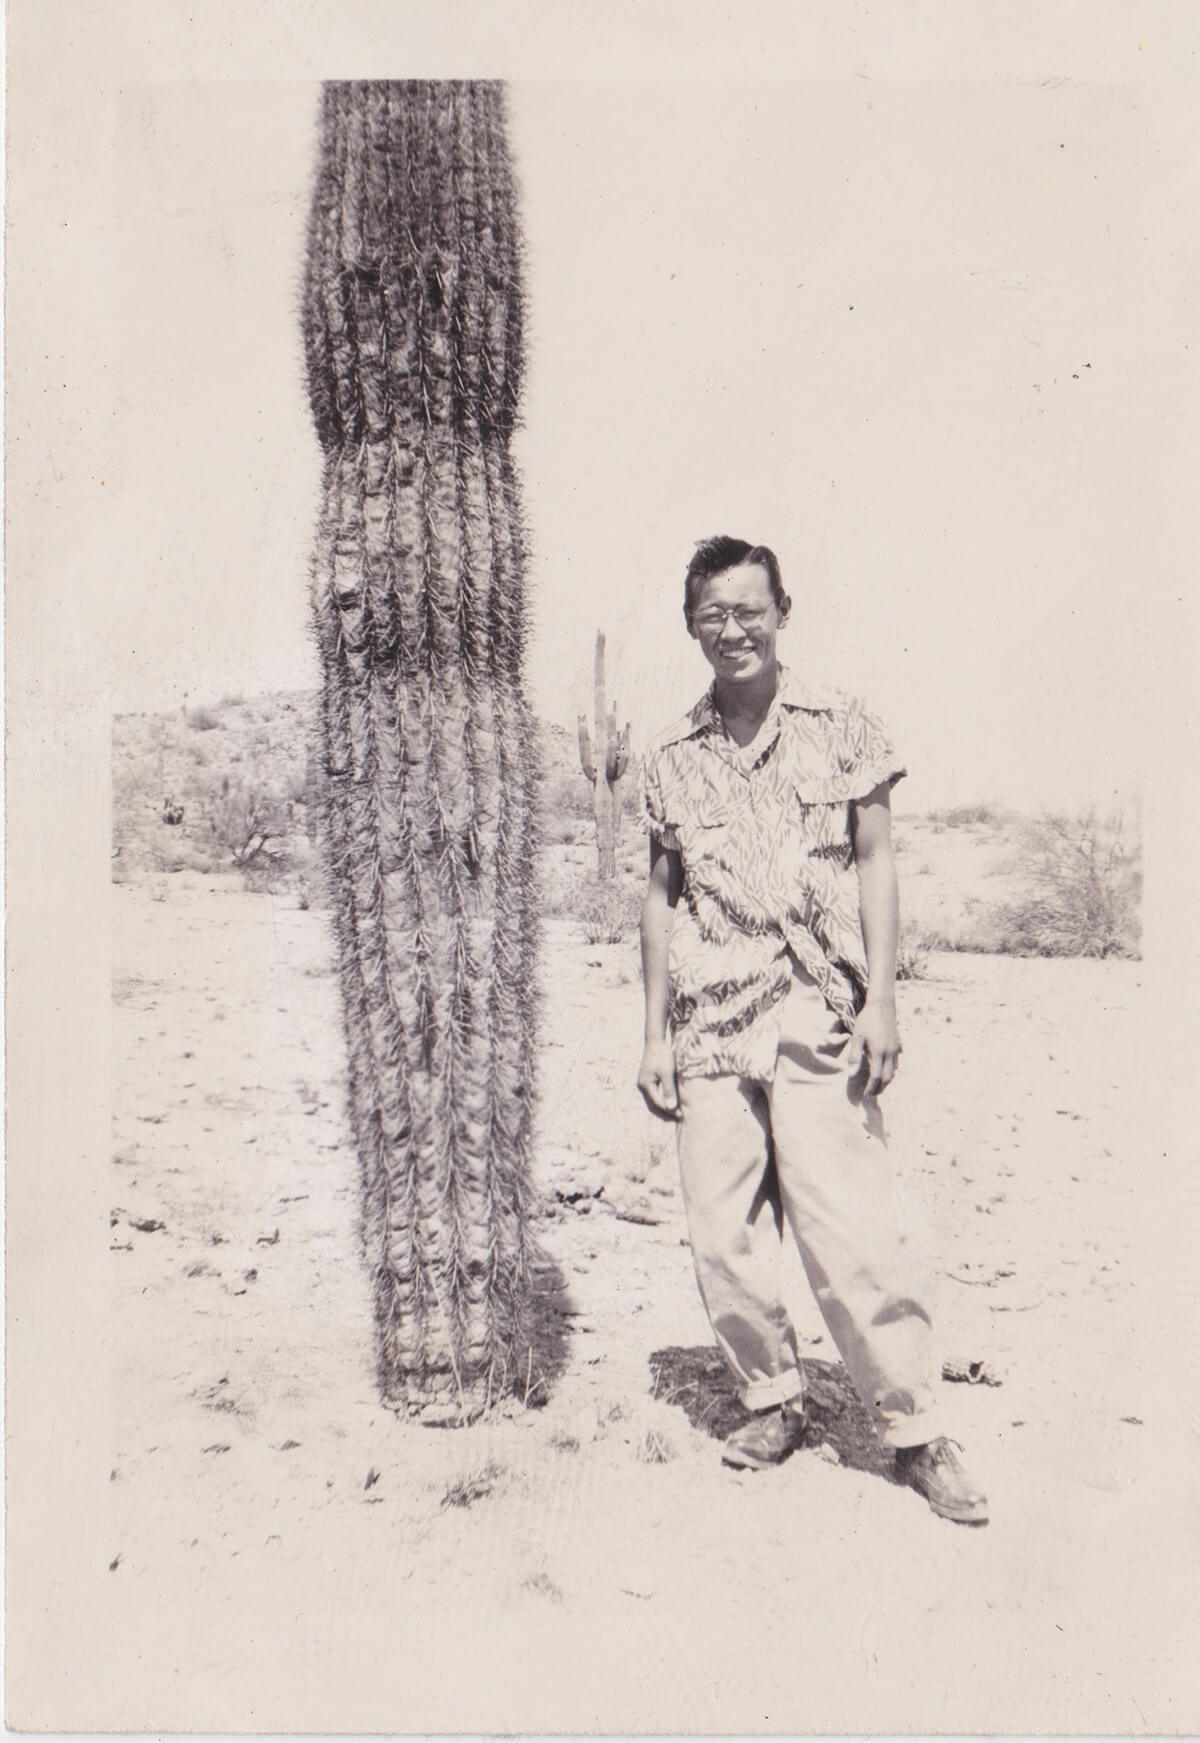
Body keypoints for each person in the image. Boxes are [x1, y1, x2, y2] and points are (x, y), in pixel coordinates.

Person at [637, 535, 988, 1526]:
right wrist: (654, 1033)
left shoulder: (843, 725)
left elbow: (878, 861)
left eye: (750, 609)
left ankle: (916, 1430)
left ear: (781, 612)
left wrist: (883, 996)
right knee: (723, 1230)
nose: (733, 628)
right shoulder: (670, 756)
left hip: (814, 1002)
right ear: (692, 625)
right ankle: (772, 1400)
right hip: (708, 1015)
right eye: (714, 614)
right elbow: (659, 899)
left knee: (852, 1229)